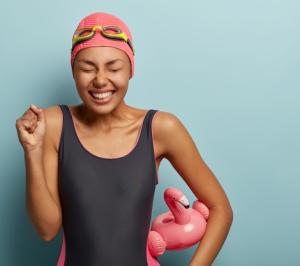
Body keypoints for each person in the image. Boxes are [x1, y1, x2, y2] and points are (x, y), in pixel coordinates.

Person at [15, 11, 233, 266]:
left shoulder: (161, 128)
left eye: (113, 68)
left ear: (131, 68)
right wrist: (31, 150)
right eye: (87, 68)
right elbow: (46, 230)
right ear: (73, 70)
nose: (100, 80)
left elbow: (221, 209)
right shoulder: (53, 124)